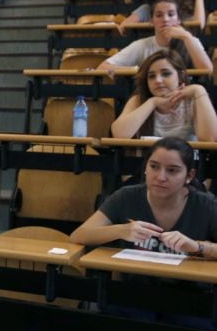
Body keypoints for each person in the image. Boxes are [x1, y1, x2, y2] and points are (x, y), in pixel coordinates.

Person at [70, 137, 217, 258]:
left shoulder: (206, 204)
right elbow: (79, 235)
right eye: (154, 167)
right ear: (145, 167)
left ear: (189, 176)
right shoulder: (126, 196)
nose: (161, 177)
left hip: (190, 290)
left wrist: (198, 247)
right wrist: (121, 230)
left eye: (172, 170)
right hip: (132, 287)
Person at [111, 50, 217, 140]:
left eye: (166, 74)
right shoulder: (139, 100)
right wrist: (153, 102)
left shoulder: (193, 99)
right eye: (151, 76)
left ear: (181, 75)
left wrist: (198, 90)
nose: (158, 80)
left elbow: (209, 138)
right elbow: (119, 135)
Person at [98, 0, 211, 73]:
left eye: (171, 14)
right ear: (151, 20)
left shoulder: (190, 40)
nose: (165, 19)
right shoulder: (141, 45)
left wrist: (187, 37)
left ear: (179, 19)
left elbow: (208, 71)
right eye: (159, 15)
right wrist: (140, 71)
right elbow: (103, 68)